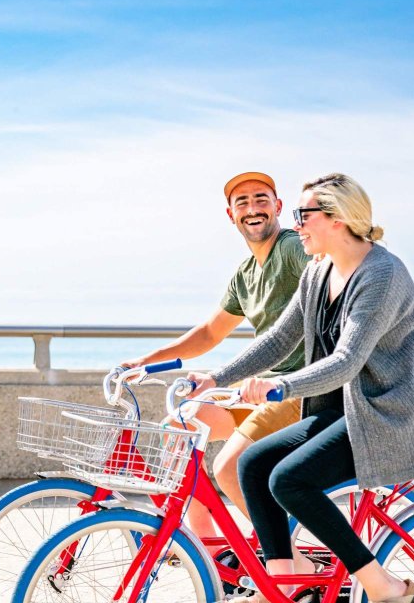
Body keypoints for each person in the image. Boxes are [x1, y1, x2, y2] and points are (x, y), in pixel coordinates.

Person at [188, 172, 414, 603]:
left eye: (304, 215)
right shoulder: (319, 272)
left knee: (289, 480)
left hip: (391, 413)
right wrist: (215, 377)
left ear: (337, 219)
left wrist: (282, 386)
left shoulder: (382, 274)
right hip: (345, 408)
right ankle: (284, 587)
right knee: (251, 465)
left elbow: (348, 360)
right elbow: (279, 340)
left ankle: (387, 588)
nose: (297, 225)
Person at [121, 171, 310, 543]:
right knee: (180, 425)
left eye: (261, 199)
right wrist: (145, 362)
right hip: (259, 386)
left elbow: (327, 271)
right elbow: (210, 333)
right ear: (231, 215)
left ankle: (286, 563)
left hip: (295, 387)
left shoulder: (289, 248)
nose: (252, 209)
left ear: (278, 207)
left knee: (234, 466)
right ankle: (207, 547)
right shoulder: (245, 274)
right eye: (243, 202)